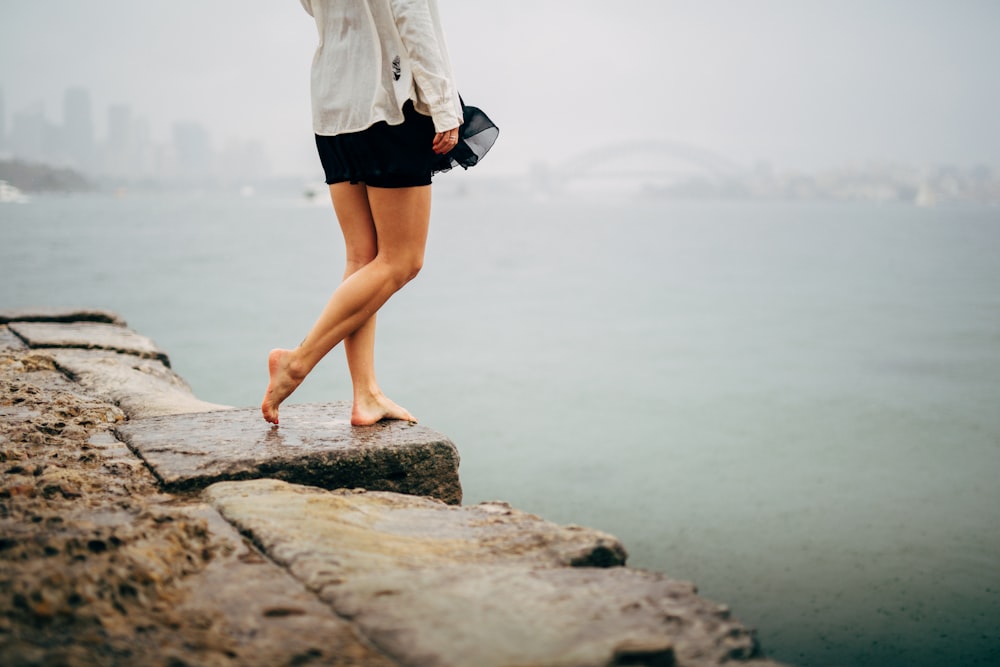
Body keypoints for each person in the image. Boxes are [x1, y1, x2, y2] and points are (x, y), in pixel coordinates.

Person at [261, 0, 464, 425]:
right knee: (402, 260)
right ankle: (297, 362)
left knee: (363, 259)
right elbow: (410, 11)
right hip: (388, 102)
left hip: (333, 106)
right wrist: (444, 103)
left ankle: (366, 394)